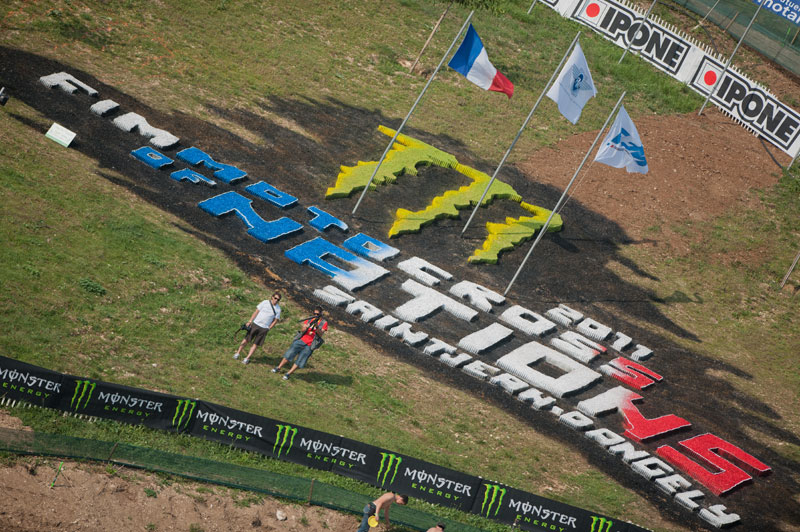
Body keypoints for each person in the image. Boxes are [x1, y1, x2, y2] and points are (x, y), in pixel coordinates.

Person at [272, 306, 327, 380]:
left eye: (317, 314)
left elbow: (320, 334)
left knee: (301, 359)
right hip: (301, 340)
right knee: (289, 354)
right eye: (314, 313)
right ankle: (278, 367)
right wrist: (305, 327)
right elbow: (302, 330)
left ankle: (288, 373)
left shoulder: (324, 323)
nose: (315, 315)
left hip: (310, 345)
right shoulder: (309, 319)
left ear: (321, 314)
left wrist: (317, 327)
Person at [233, 292, 281, 365]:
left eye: (278, 299)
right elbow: (256, 311)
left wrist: (269, 328)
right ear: (272, 297)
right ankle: (237, 353)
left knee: (255, 344)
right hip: (256, 324)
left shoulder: (278, 309)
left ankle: (247, 358)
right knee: (246, 339)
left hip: (264, 328)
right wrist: (250, 321)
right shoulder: (265, 302)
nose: (276, 300)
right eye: (275, 298)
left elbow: (275, 320)